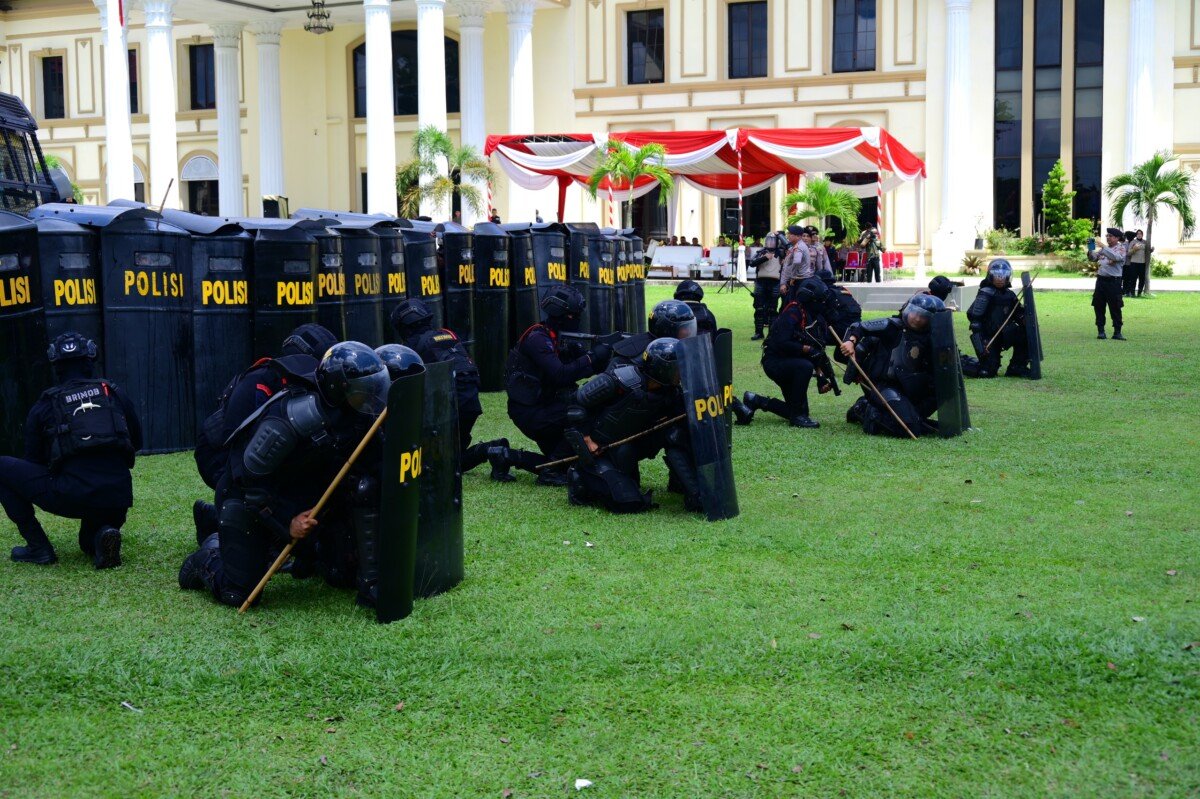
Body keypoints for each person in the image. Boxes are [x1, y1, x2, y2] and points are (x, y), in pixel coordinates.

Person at [178, 342, 391, 609]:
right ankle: (208, 553)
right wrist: (286, 522)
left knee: (341, 572)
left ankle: (298, 552)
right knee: (240, 593)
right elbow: (249, 484)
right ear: (340, 387)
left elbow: (376, 463)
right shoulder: (293, 418)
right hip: (247, 501)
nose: (371, 396)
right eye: (364, 390)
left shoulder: (356, 412)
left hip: (302, 496)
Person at [1, 332, 142, 568]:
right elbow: (136, 442)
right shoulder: (114, 393)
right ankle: (103, 533)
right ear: (90, 360)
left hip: (72, 496)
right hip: (117, 500)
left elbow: (34, 462)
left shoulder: (45, 404)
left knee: (3, 468)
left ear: (56, 365)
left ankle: (38, 547)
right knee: (88, 544)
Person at [191, 323, 338, 543]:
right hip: (220, 455)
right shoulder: (258, 384)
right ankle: (213, 520)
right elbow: (239, 457)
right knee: (250, 500)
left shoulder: (306, 388)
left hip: (253, 452)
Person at [489, 286, 611, 485]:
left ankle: (505, 455)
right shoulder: (538, 339)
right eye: (573, 315)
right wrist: (592, 357)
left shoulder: (559, 337)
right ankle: (550, 473)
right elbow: (561, 374)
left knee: (569, 463)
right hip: (532, 413)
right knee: (583, 412)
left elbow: (581, 367)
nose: (577, 319)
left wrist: (602, 358)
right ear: (561, 314)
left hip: (546, 408)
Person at [565, 338, 685, 513]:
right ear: (662, 368)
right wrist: (587, 439)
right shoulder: (619, 379)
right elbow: (576, 404)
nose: (681, 373)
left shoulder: (670, 392)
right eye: (678, 368)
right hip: (599, 448)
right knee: (627, 502)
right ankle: (580, 479)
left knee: (677, 432)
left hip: (626, 446)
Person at [389, 298, 508, 472]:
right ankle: (492, 449)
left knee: (438, 464)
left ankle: (486, 450)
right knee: (450, 459)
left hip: (448, 408)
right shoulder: (448, 334)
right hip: (470, 404)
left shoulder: (412, 347)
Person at [839, 295, 943, 438]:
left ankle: (912, 418)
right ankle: (863, 410)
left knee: (935, 399)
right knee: (911, 428)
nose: (917, 319)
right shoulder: (892, 326)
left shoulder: (933, 337)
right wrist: (851, 341)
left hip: (912, 387)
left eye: (923, 317)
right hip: (884, 385)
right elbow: (858, 327)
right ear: (907, 309)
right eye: (915, 313)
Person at [738, 280, 827, 429]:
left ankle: (756, 400)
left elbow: (817, 350)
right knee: (805, 366)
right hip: (775, 362)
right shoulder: (793, 312)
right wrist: (805, 349)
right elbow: (781, 342)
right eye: (818, 301)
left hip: (789, 362)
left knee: (799, 409)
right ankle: (797, 417)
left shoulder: (811, 316)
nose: (821, 304)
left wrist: (821, 377)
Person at [962, 260, 1028, 378]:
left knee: (1025, 334)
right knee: (987, 372)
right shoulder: (986, 293)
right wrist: (981, 345)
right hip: (988, 337)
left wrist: (1024, 319)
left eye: (1003, 276)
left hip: (1005, 333)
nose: (1000, 279)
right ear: (990, 276)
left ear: (1008, 276)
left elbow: (1018, 313)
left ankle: (1017, 367)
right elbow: (974, 320)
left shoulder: (1009, 295)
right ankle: (961, 363)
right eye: (997, 275)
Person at [610, 299, 697, 368]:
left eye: (690, 327)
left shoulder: (680, 349)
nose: (689, 332)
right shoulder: (634, 357)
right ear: (668, 329)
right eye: (685, 328)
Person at [1088, 227, 1127, 339]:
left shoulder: (1121, 248)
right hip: (1101, 281)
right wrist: (1090, 249)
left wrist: (1104, 247)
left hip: (1113, 282)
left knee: (1115, 306)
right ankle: (1101, 331)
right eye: (1107, 236)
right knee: (1098, 306)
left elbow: (1116, 257)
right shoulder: (1104, 249)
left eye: (1110, 236)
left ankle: (1117, 332)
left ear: (1117, 238)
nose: (1108, 238)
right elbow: (1094, 258)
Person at [749, 231, 783, 340]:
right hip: (761, 283)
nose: (770, 242)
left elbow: (789, 246)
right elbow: (752, 263)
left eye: (773, 240)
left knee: (772, 310)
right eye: (768, 240)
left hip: (775, 283)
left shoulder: (782, 253)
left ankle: (771, 334)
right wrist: (765, 257)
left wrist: (780, 235)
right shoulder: (760, 252)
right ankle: (758, 332)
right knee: (759, 309)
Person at [778, 224, 812, 301]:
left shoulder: (798, 247)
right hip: (797, 280)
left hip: (798, 281)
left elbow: (797, 261)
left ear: (798, 237)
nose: (788, 236)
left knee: (792, 305)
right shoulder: (796, 246)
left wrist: (793, 277)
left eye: (790, 234)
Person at [1130, 229, 1149, 297]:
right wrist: (1134, 249)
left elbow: (1147, 252)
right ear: (1136, 235)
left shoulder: (1145, 242)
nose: (1139, 235)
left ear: (1142, 235)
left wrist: (1151, 250)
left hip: (1142, 263)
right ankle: (1132, 293)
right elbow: (1128, 253)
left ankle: (1139, 293)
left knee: (1142, 279)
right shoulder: (1133, 242)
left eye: (1140, 233)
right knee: (1133, 278)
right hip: (1134, 263)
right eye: (1138, 234)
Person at [1122, 231, 1138, 297]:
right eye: (1127, 236)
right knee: (1125, 278)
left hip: (1131, 263)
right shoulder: (1124, 243)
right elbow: (1123, 252)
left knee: (1130, 279)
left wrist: (1129, 252)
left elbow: (1130, 253)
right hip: (1124, 263)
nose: (1128, 238)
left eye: (1130, 236)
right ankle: (1124, 291)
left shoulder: (1135, 243)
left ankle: (1128, 291)